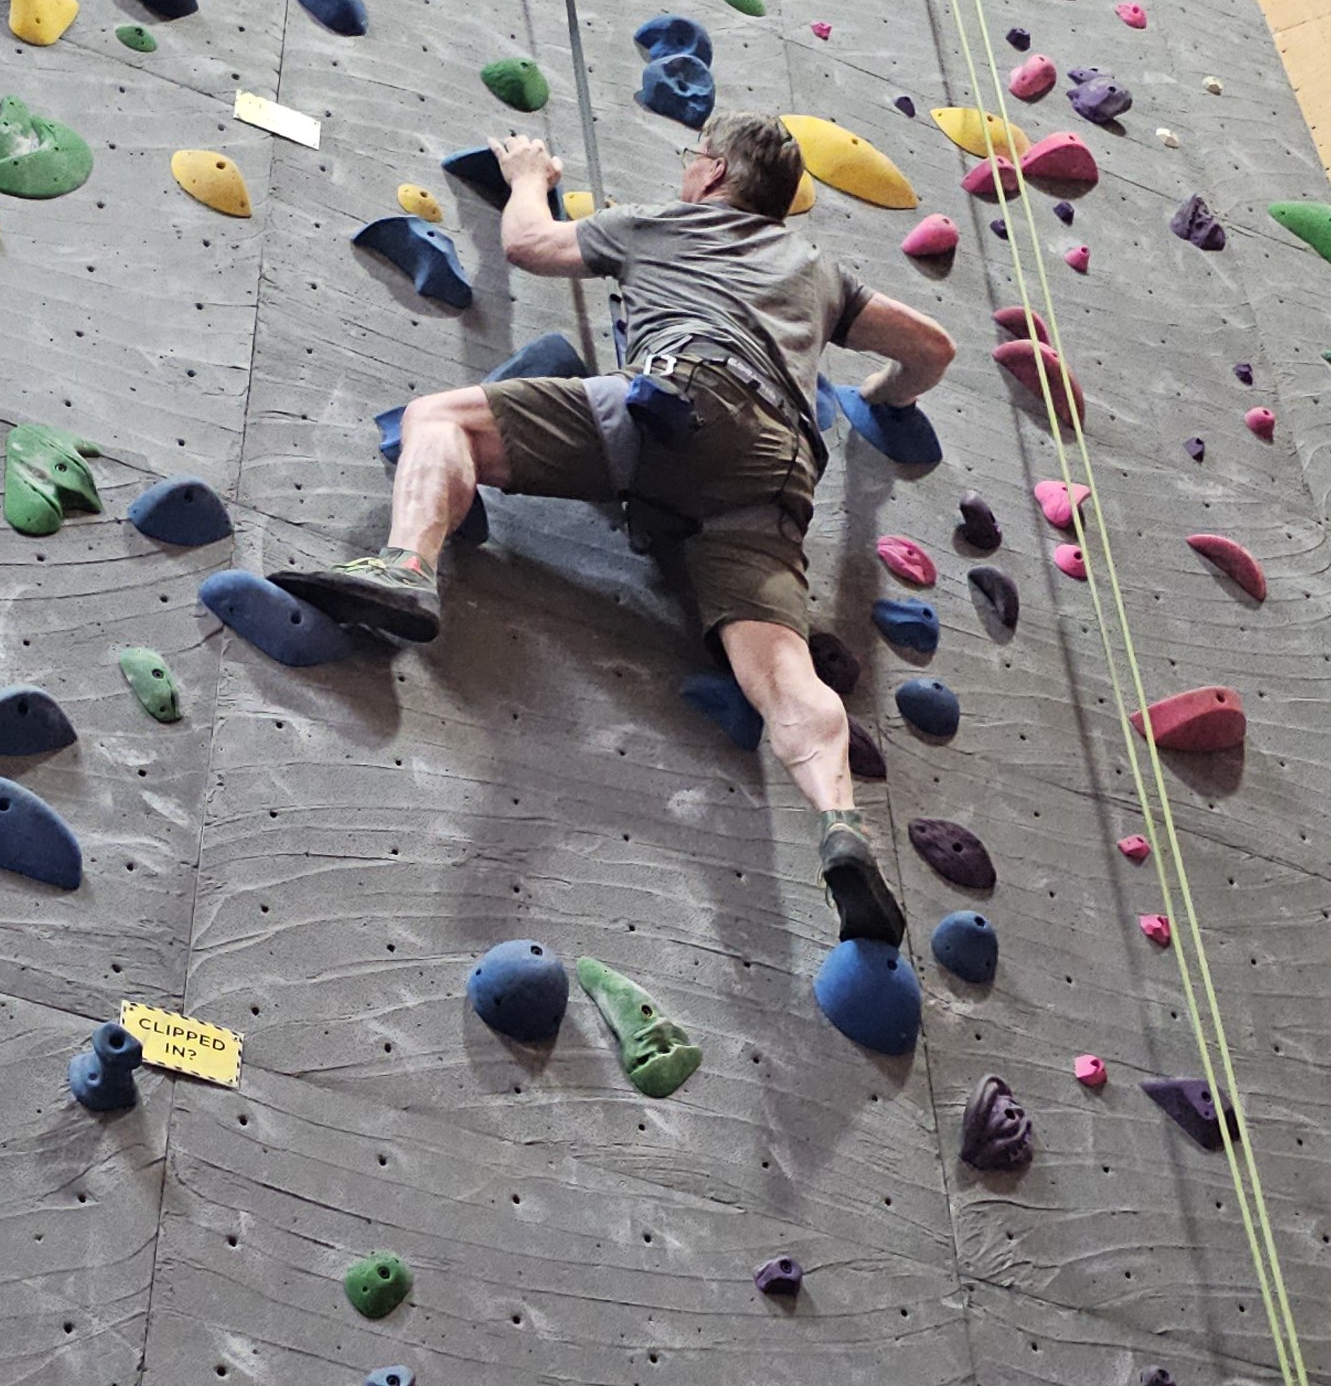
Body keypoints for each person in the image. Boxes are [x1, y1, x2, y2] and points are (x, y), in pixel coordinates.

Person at [277, 111, 956, 957]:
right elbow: (933, 348)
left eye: (693, 158)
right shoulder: (820, 272)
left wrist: (529, 176)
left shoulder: (663, 223)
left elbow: (530, 245)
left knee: (437, 419)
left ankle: (408, 567)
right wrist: (884, 397)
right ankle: (841, 826)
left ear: (715, 173)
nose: (687, 170)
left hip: (681, 403)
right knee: (783, 674)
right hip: (776, 470)